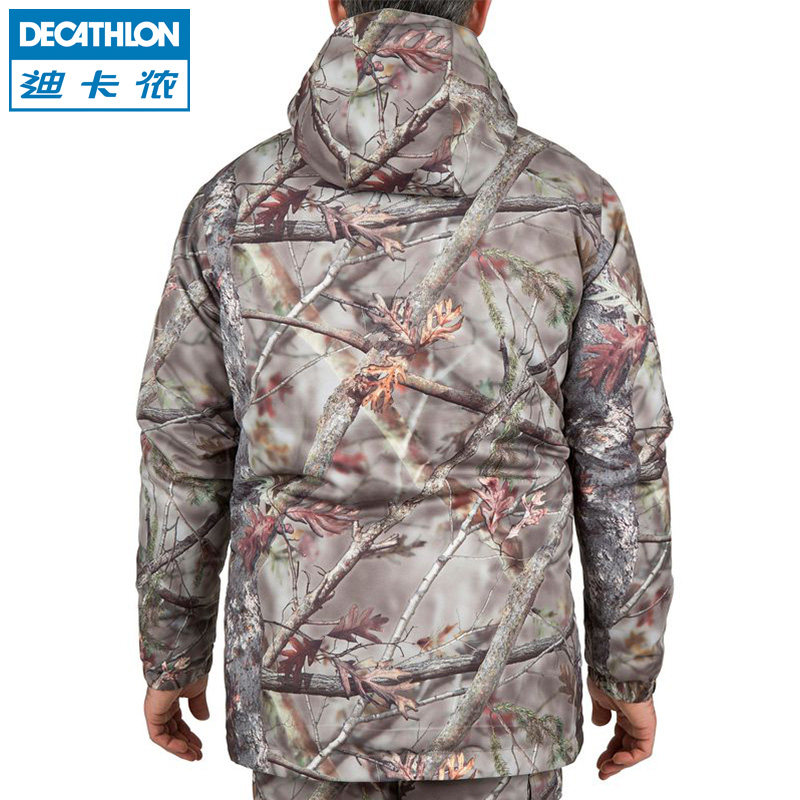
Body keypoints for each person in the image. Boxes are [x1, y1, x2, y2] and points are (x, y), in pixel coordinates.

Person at [135, 1, 674, 797]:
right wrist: (628, 665)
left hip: (302, 705)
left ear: (334, 4)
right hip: (501, 709)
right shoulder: (572, 202)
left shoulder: (230, 206)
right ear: (481, 10)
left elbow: (184, 445)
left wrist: (171, 651)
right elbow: (622, 456)